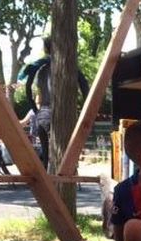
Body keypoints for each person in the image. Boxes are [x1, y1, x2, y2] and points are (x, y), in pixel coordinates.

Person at [20, 37, 89, 170]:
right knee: (64, 154)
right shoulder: (68, 65)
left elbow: (27, 88)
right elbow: (84, 86)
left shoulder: (39, 66)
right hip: (64, 113)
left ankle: (47, 178)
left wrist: (35, 109)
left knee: (46, 154)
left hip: (44, 112)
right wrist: (86, 108)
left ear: (45, 49)